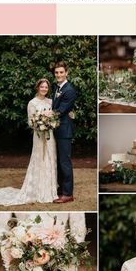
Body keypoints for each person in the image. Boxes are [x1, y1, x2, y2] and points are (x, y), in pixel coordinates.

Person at [0, 79, 58, 205]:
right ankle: (36, 190)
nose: (44, 89)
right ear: (37, 88)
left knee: (50, 158)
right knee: (39, 159)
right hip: (39, 136)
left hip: (49, 136)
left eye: (46, 87)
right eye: (42, 87)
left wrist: (50, 123)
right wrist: (40, 125)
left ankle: (51, 190)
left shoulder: (51, 101)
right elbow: (30, 121)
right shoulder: (32, 103)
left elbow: (54, 116)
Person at [0, 211, 87, 271]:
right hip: (21, 265)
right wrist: (17, 247)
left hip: (61, 263)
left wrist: (60, 255)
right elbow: (0, 231)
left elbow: (79, 231)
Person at [52, 61, 77, 204]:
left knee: (65, 161)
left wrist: (46, 115)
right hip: (57, 129)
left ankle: (68, 193)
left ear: (66, 73)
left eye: (61, 72)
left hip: (64, 130)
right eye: (56, 72)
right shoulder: (57, 87)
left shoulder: (69, 90)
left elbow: (61, 110)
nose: (59, 75)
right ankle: (61, 190)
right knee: (59, 161)